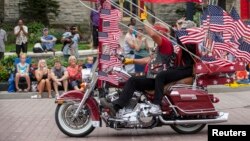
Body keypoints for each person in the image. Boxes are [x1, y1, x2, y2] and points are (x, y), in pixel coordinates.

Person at [101, 21, 176, 116]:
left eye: (156, 30)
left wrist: (144, 19)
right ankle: (120, 103)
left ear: (160, 32)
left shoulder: (165, 43)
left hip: (156, 79)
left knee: (132, 81)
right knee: (127, 77)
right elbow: (147, 60)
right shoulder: (160, 46)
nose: (153, 32)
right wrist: (129, 61)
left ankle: (116, 107)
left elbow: (152, 34)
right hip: (152, 75)